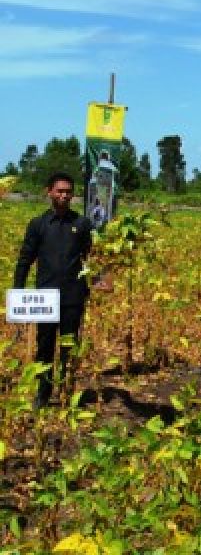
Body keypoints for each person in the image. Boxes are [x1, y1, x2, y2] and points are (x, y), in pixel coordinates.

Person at [13, 172, 96, 410]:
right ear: (49, 192)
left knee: (69, 346)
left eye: (68, 191)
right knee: (45, 345)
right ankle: (43, 391)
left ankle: (67, 389)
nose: (64, 195)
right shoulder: (38, 224)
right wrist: (18, 291)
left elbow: (92, 258)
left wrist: (97, 282)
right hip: (45, 297)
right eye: (59, 191)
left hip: (73, 296)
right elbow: (25, 259)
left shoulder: (81, 225)